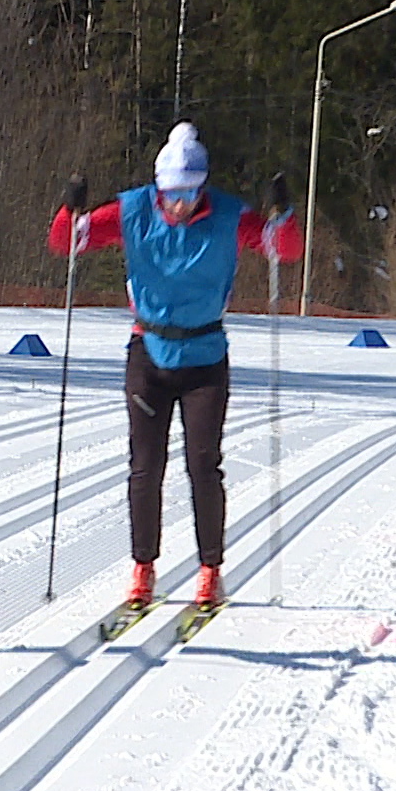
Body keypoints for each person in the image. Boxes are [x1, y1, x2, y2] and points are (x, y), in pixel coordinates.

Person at [47, 121, 302, 610]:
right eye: (171, 194)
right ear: (158, 188)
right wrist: (69, 207)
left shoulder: (228, 215)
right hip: (149, 353)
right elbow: (66, 242)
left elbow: (283, 250)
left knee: (204, 466)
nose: (179, 205)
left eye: (189, 193)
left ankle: (210, 571)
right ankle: (143, 568)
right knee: (145, 467)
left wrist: (283, 213)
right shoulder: (132, 210)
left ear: (202, 187)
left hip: (205, 358)